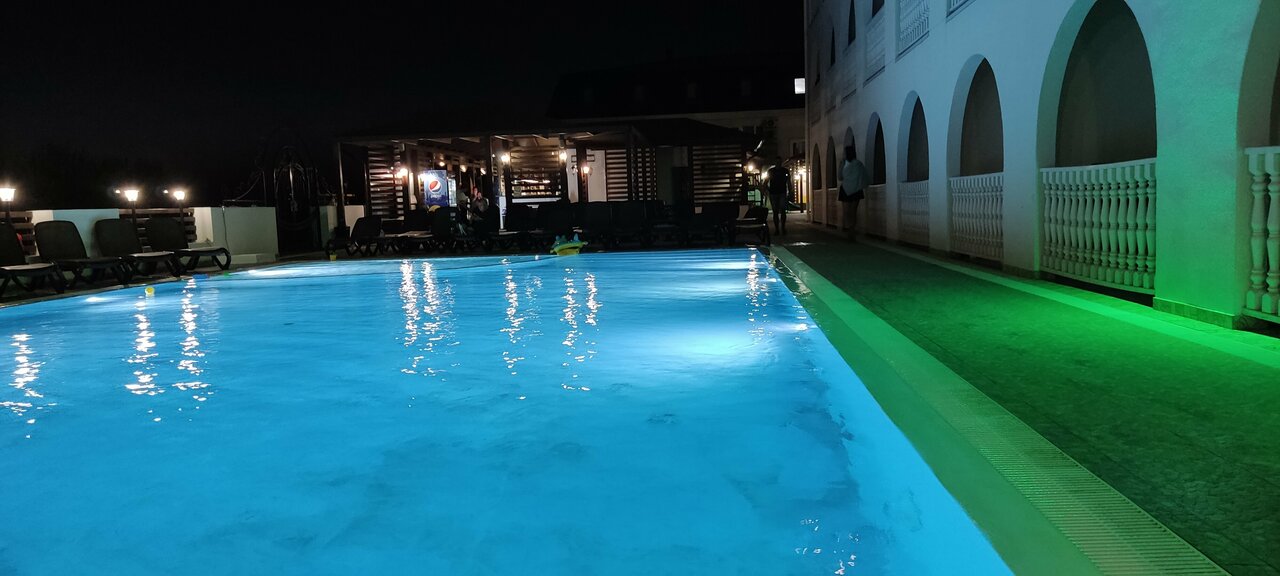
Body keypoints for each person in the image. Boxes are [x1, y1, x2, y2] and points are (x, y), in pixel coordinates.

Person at [839, 146, 870, 240]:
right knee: (853, 211)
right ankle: (852, 230)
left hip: (846, 189)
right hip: (856, 190)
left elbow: (840, 177)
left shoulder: (844, 163)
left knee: (847, 212)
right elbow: (863, 175)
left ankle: (850, 229)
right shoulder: (858, 164)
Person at [764, 157, 791, 236]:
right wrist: (767, 189)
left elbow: (788, 181)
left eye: (779, 162)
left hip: (779, 192)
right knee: (776, 211)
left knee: (781, 211)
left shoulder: (779, 171)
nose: (778, 163)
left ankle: (781, 228)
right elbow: (766, 181)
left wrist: (767, 189)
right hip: (776, 193)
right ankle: (779, 229)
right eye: (777, 162)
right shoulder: (775, 171)